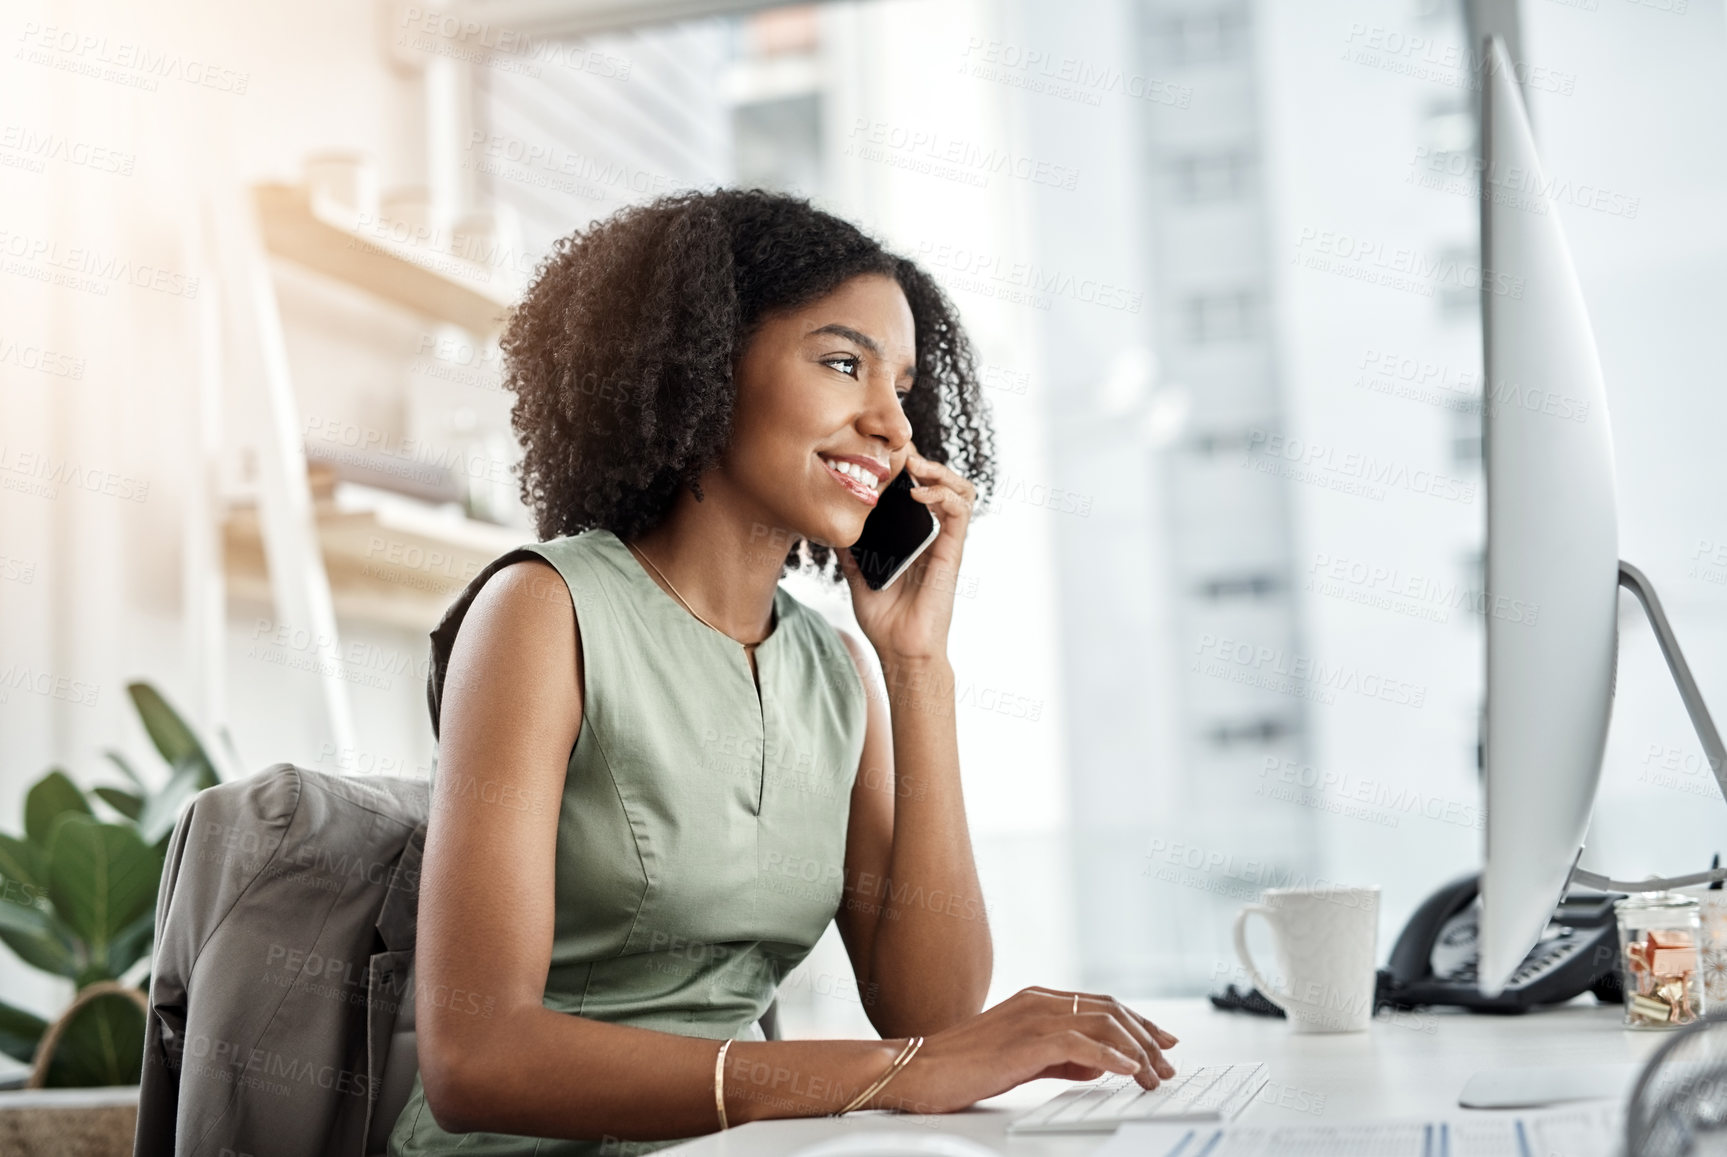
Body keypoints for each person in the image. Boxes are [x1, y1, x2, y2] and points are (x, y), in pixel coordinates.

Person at [388, 189, 1178, 1156]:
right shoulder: (542, 610)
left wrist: (916, 663)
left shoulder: (833, 667)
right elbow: (478, 1061)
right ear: (699, 371)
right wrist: (883, 1079)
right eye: (844, 363)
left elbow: (926, 1007)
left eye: (902, 385)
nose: (892, 425)